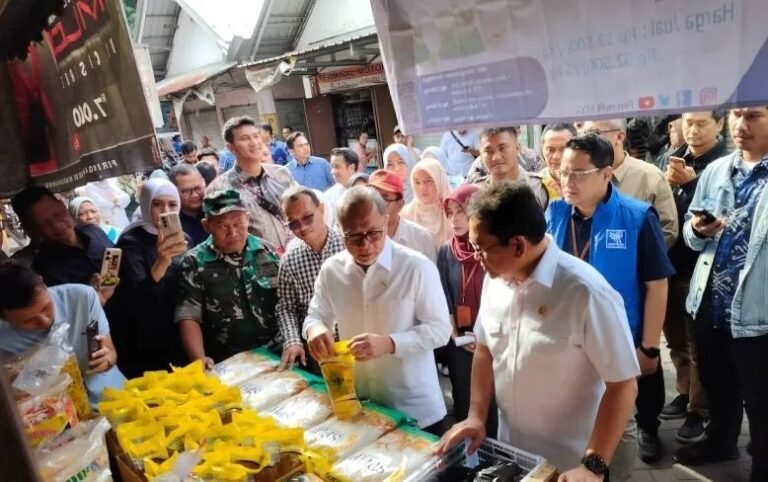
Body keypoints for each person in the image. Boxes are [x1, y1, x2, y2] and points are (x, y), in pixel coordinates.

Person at [436, 182, 640, 480]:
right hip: (514, 456)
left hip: (570, 465)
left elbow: (623, 385)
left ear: (518, 245)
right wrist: (476, 416)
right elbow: (484, 348)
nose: (476, 256)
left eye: (482, 248)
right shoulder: (497, 279)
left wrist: (593, 466)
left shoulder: (585, 293)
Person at [546, 134, 675, 474]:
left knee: (620, 422)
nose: (567, 181)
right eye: (562, 172)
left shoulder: (636, 217)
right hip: (565, 345)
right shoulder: (554, 213)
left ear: (606, 174)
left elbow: (656, 284)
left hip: (617, 343)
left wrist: (648, 347)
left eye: (578, 173)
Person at [303, 187, 452, 434]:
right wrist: (315, 330)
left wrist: (389, 343)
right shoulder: (333, 270)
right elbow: (316, 315)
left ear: (386, 220)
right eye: (353, 237)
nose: (365, 245)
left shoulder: (416, 267)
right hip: (361, 399)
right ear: (340, 231)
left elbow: (440, 331)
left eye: (373, 233)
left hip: (414, 406)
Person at [672, 107, 768, 481]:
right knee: (717, 384)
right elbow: (691, 235)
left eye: (755, 116)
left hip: (759, 311)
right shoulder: (716, 170)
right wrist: (699, 228)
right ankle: (721, 441)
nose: (741, 126)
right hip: (709, 303)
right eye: (737, 116)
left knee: (761, 399)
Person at [660, 111, 729, 443]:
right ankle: (684, 391)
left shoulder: (725, 165)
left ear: (719, 125)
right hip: (668, 265)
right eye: (687, 123)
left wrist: (690, 184)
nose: (693, 130)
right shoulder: (671, 158)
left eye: (702, 123)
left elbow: (721, 217)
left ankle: (698, 410)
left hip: (701, 270)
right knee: (675, 339)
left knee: (698, 342)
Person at [176, 189, 281, 367]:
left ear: (248, 219)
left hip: (278, 354)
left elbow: (289, 302)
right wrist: (198, 359)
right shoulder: (194, 262)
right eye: (222, 226)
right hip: (230, 362)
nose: (233, 233)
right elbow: (188, 316)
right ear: (206, 225)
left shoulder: (268, 251)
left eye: (238, 223)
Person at [0, 263, 126, 407]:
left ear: (43, 284)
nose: (45, 320)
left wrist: (107, 360)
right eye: (29, 321)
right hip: (54, 414)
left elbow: (111, 354)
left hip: (112, 396)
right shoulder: (3, 340)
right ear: (5, 318)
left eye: (46, 307)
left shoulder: (82, 298)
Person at [106, 179, 188, 379]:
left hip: (176, 328)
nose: (165, 211)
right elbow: (135, 298)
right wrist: (162, 261)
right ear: (145, 204)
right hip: (143, 336)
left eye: (172, 204)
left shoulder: (183, 239)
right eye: (157, 204)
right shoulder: (130, 243)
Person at [436, 184, 497, 436]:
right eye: (449, 213)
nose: (454, 219)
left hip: (492, 339)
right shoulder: (446, 251)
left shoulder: (492, 247)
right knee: (464, 398)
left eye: (461, 211)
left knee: (494, 401)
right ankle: (471, 460)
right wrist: (456, 336)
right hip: (460, 342)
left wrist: (482, 336)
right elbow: (444, 298)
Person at [276, 186, 345, 372]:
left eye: (307, 217)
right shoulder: (290, 259)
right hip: (317, 352)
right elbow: (286, 307)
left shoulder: (349, 245)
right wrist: (292, 341)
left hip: (355, 345)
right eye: (293, 224)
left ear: (321, 210)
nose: (302, 227)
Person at [206, 116, 296, 255]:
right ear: (230, 147)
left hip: (295, 258)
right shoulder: (220, 188)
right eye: (245, 138)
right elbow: (221, 236)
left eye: (256, 136)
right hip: (256, 267)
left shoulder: (282, 174)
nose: (254, 142)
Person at [583, 119, 678, 248]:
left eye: (594, 133)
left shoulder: (650, 176)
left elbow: (667, 231)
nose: (588, 141)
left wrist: (633, 258)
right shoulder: (581, 176)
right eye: (585, 135)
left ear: (619, 136)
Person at [12, 187, 115, 304]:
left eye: (58, 214)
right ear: (33, 229)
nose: (57, 226)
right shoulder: (43, 271)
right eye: (45, 223)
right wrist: (88, 298)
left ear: (63, 205)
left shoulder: (95, 232)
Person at [471, 127, 549, 208]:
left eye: (502, 148)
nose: (496, 157)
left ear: (517, 148)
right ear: (481, 154)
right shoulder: (476, 191)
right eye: (488, 151)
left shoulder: (538, 187)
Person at [368, 169, 437, 262]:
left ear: (400, 205)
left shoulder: (422, 239)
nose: (377, 205)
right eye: (373, 198)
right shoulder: (358, 239)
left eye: (385, 199)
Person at [402, 158, 452, 248]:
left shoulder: (454, 211)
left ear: (439, 180)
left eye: (428, 181)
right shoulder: (405, 215)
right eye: (417, 182)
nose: (422, 188)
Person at [169, 164, 208, 246]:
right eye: (186, 191)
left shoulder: (215, 209)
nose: (194, 195)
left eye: (198, 188)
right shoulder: (171, 220)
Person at [539, 123, 577, 201]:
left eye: (564, 149)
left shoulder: (589, 182)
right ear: (542, 150)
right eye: (550, 149)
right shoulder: (537, 186)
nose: (556, 156)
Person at [324, 147, 359, 227]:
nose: (333, 172)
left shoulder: (368, 191)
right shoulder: (328, 196)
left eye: (337, 167)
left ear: (352, 168)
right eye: (332, 167)